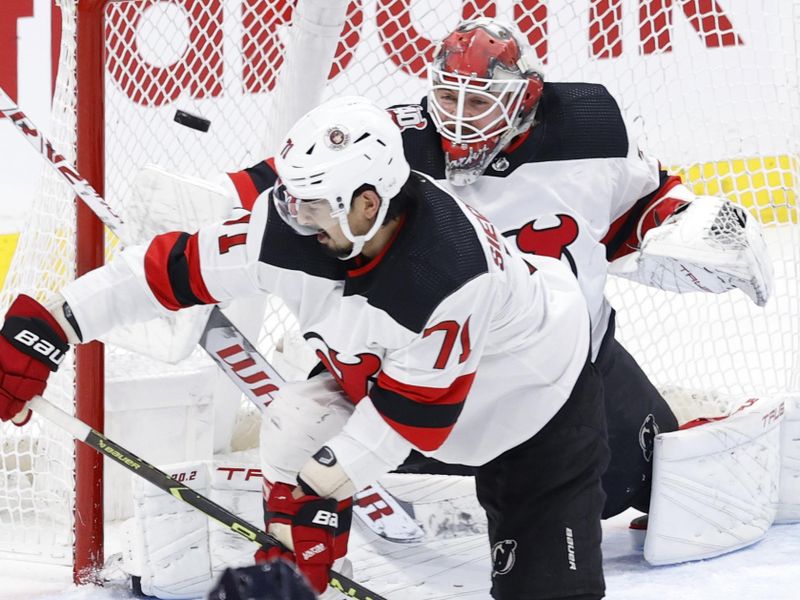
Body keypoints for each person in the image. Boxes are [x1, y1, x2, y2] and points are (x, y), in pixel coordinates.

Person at [0, 96, 609, 599]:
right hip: (403, 382)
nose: (291, 215)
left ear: (369, 203)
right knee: (297, 422)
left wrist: (312, 492)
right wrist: (51, 326)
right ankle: (297, 578)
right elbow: (167, 271)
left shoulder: (449, 275)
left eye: (312, 202)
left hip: (539, 408)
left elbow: (406, 423)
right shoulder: (293, 225)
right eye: (292, 195)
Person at [226, 18, 773, 521]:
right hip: (418, 368)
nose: (460, 121)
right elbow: (287, 181)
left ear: (525, 99)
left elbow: (638, 205)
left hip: (563, 364)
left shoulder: (589, 127)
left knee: (652, 481)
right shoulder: (391, 143)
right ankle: (312, 540)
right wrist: (212, 209)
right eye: (447, 97)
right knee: (309, 428)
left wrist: (687, 226)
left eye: (480, 104)